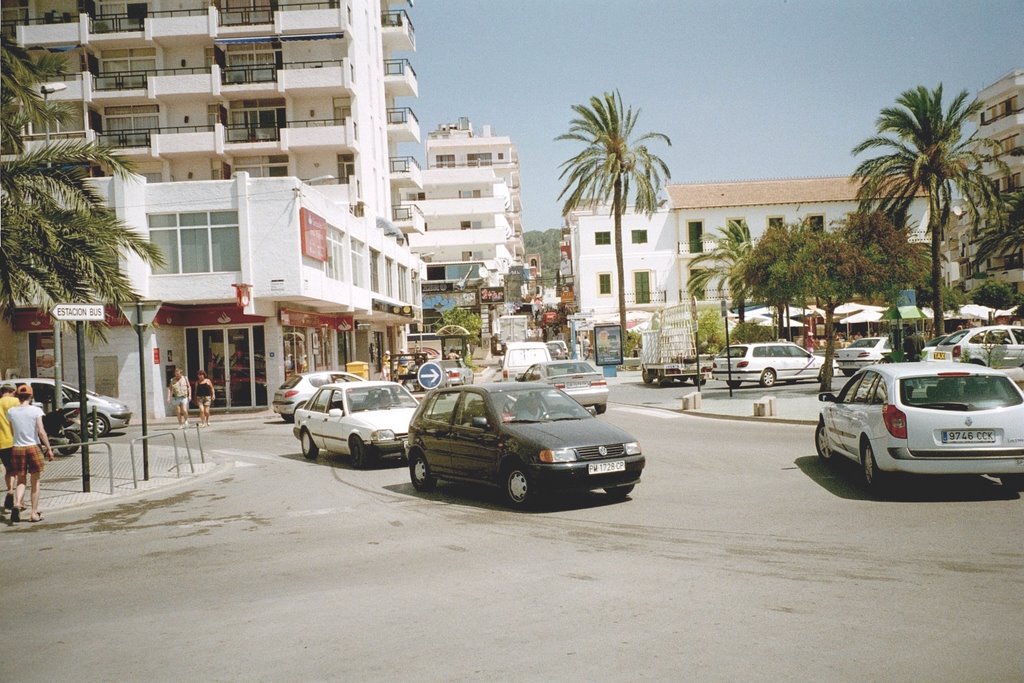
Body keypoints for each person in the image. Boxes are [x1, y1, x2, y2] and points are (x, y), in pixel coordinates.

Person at [7, 384, 53, 523]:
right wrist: (49, 448)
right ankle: (33, 513)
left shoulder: (11, 412)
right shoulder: (36, 411)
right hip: (33, 447)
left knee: (21, 480)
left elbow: (12, 431)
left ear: (17, 396)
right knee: (35, 481)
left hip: (17, 448)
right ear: (31, 396)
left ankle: (17, 504)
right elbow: (41, 431)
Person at [0, 384, 20, 517]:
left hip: (1, 442)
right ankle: (17, 499)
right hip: (15, 440)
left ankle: (10, 490)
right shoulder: (15, 402)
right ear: (11, 391)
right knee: (17, 471)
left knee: (8, 469)